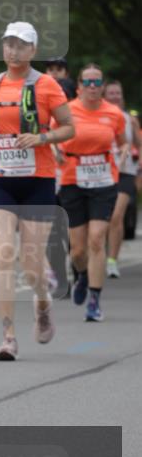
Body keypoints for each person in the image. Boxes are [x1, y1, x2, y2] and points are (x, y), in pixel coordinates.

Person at [0, 21, 74, 361]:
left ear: (33, 50)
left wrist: (41, 138)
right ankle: (8, 336)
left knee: (31, 265)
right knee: (3, 254)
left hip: (36, 181)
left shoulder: (47, 85)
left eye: (21, 44)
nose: (13, 50)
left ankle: (42, 303)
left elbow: (69, 127)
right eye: (9, 43)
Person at [57, 65, 128, 323]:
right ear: (78, 85)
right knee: (77, 250)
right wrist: (54, 150)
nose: (93, 86)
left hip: (103, 179)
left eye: (97, 82)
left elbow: (122, 142)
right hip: (72, 178)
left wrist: (123, 152)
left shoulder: (114, 114)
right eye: (87, 82)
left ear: (102, 85)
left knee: (97, 239)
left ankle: (95, 300)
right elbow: (51, 136)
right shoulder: (67, 111)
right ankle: (83, 275)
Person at [102, 80, 140, 278]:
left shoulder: (128, 119)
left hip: (125, 172)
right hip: (102, 173)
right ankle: (99, 253)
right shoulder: (98, 117)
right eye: (111, 93)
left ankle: (112, 261)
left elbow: (139, 145)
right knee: (102, 218)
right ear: (104, 96)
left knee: (117, 216)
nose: (115, 96)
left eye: (118, 93)